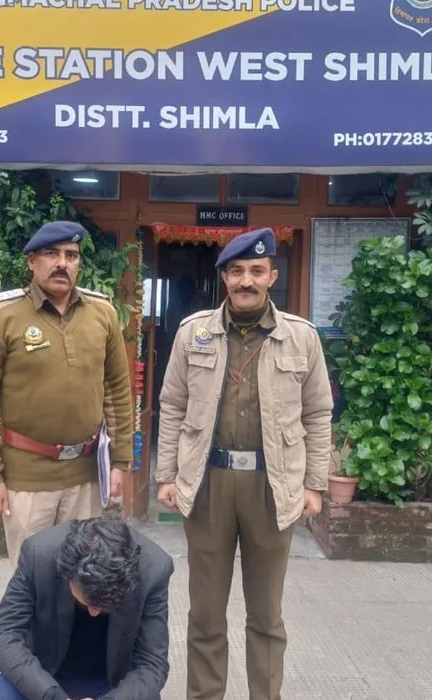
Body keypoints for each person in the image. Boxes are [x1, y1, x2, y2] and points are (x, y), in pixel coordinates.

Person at [155, 227, 333, 700]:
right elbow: (171, 404)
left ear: (272, 276)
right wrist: (167, 474)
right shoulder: (194, 333)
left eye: (257, 270)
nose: (246, 280)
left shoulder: (301, 338)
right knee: (205, 614)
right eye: (236, 271)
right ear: (225, 278)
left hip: (272, 487)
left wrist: (314, 484)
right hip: (208, 484)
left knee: (266, 616)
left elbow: (318, 413)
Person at [0, 221, 133, 567]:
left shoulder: (102, 313)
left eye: (71, 255)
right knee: (33, 581)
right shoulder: (1, 316)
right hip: (27, 479)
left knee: (84, 578)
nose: (62, 263)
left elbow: (117, 388)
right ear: (32, 261)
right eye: (51, 254)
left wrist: (120, 460)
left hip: (87, 477)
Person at [0, 517, 174, 700]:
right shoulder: (38, 554)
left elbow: (152, 663)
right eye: (87, 602)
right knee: (5, 689)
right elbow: (4, 637)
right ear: (68, 575)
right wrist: (53, 696)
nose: (93, 613)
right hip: (39, 671)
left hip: (113, 678)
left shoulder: (154, 570)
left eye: (105, 606)